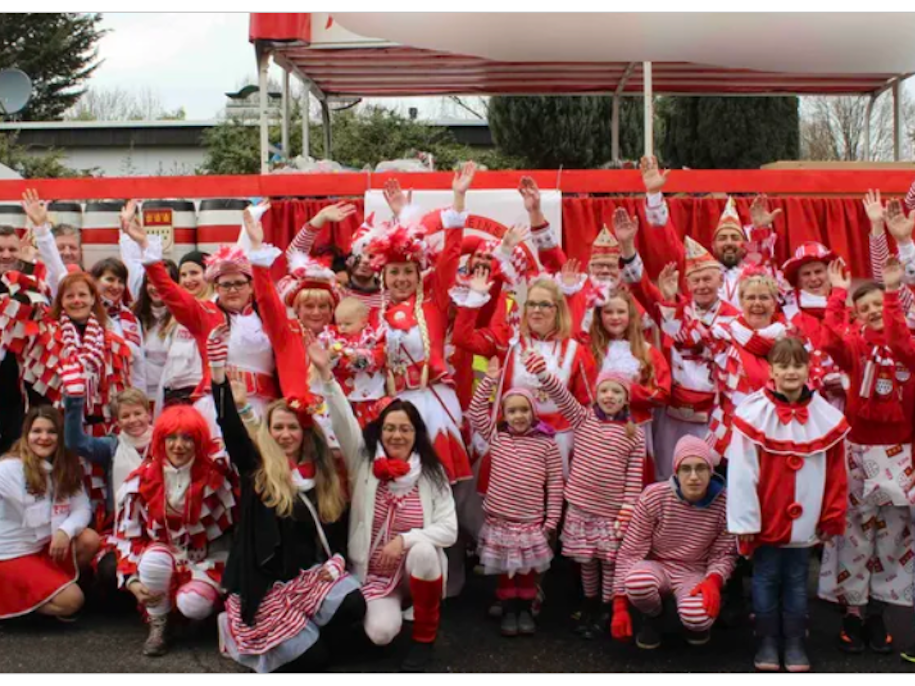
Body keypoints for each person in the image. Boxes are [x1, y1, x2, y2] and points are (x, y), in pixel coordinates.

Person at [205, 326, 365, 673]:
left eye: (293, 427)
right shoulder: (257, 470)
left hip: (307, 578)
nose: (285, 435)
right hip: (264, 587)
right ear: (268, 431)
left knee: (353, 605)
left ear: (305, 433)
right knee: (315, 661)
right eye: (278, 427)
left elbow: (333, 529)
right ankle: (242, 632)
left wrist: (336, 562)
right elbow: (231, 428)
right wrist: (218, 374)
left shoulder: (322, 475)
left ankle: (310, 631)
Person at [316, 336, 457, 673]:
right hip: (375, 574)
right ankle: (386, 617)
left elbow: (449, 530)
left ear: (416, 433)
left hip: (416, 569)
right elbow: (344, 423)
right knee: (381, 634)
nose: (397, 436)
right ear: (380, 433)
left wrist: (405, 540)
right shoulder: (364, 464)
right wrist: (326, 376)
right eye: (390, 429)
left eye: (404, 429)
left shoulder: (432, 474)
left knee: (424, 550)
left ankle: (425, 637)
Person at [727, 337, 849, 672]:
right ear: (771, 370)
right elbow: (741, 473)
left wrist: (831, 515)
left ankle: (795, 642)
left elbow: (837, 472)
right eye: (783, 365)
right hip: (765, 520)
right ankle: (767, 641)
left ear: (809, 369)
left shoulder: (824, 414)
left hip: (806, 520)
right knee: (765, 578)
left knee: (797, 579)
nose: (791, 371)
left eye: (798, 364)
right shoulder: (753, 412)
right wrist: (746, 522)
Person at [817, 257, 915, 655]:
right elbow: (827, 342)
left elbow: (898, 341)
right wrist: (838, 294)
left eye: (878, 305)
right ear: (856, 315)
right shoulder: (855, 348)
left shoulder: (907, 348)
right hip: (858, 453)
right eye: (866, 307)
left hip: (900, 456)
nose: (874, 311)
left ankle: (877, 613)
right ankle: (852, 614)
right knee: (854, 536)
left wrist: (891, 295)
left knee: (892, 539)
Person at [362, 162, 476, 485]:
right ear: (383, 275)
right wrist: (400, 216)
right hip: (393, 405)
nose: (401, 279)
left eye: (408, 272)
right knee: (398, 482)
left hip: (432, 399)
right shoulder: (374, 315)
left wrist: (458, 200)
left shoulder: (434, 304)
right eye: (394, 272)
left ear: (418, 274)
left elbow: (452, 254)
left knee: (437, 480)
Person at [120, 204, 279, 430]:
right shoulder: (204, 313)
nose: (232, 289)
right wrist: (144, 244)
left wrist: (255, 243)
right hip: (218, 407)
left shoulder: (267, 316)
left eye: (239, 283)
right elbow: (168, 290)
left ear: (251, 286)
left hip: (263, 408)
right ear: (216, 287)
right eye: (225, 284)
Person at [525, 353, 645, 638]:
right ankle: (588, 604)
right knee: (587, 561)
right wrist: (543, 375)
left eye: (616, 392)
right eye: (604, 390)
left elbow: (634, 477)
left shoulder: (634, 434)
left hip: (611, 511)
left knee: (608, 561)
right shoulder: (584, 418)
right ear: (597, 394)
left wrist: (628, 508)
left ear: (626, 398)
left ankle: (606, 607)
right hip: (581, 507)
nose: (609, 396)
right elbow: (562, 395)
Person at [112, 404, 238, 657]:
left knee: (193, 604)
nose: (178, 445)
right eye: (171, 437)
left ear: (198, 440)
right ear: (160, 440)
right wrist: (131, 578)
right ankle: (159, 624)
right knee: (153, 560)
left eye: (187, 438)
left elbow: (234, 526)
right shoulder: (140, 481)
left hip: (207, 558)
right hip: (165, 555)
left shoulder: (218, 476)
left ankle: (198, 615)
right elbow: (127, 536)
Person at [621, 230, 739, 479]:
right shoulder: (673, 308)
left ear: (720, 281)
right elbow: (640, 287)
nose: (702, 286)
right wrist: (628, 245)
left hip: (713, 415)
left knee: (707, 477)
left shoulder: (736, 320)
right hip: (671, 413)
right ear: (687, 283)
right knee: (667, 474)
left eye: (707, 279)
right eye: (695, 281)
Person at [467, 356, 563, 637]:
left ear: (534, 413)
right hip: (500, 520)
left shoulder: (546, 445)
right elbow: (475, 412)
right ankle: (509, 609)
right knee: (504, 569)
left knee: (526, 570)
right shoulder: (498, 438)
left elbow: (555, 484)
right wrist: (490, 381)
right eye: (512, 411)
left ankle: (525, 608)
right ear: (504, 415)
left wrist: (551, 519)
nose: (519, 416)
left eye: (524, 410)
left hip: (531, 520)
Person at [611, 435, 736, 649]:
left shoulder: (725, 503)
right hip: (658, 564)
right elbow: (631, 550)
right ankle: (653, 616)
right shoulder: (654, 497)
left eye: (701, 468)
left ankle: (691, 623)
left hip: (694, 569)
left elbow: (723, 554)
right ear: (676, 472)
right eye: (686, 469)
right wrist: (619, 604)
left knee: (698, 617)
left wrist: (714, 581)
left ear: (711, 471)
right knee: (637, 582)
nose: (694, 477)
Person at [0, 406, 100, 621]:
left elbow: (82, 508)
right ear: (27, 435)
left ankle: (48, 590)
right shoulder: (8, 468)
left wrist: (65, 531)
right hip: (11, 555)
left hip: (43, 547)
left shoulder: (65, 467)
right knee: (72, 602)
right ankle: (21, 607)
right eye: (37, 431)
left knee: (89, 539)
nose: (44, 438)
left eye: (51, 432)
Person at [63, 368, 152, 593]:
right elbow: (75, 443)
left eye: (138, 413)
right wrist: (74, 402)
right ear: (117, 421)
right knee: (109, 570)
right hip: (123, 529)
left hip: (161, 528)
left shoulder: (167, 440)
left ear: (148, 413)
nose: (133, 420)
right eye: (125, 416)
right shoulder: (112, 445)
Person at [588, 285, 671, 480]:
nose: (615, 317)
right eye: (608, 312)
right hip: (597, 428)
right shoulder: (589, 351)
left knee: (635, 477)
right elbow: (581, 388)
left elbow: (662, 392)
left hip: (635, 427)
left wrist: (627, 392)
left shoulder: (646, 351)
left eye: (620, 311)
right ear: (599, 316)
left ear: (630, 315)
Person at [706, 266, 787, 459]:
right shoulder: (723, 334)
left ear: (774, 302)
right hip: (730, 433)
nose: (757, 303)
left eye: (764, 297)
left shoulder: (788, 338)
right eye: (751, 298)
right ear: (741, 301)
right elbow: (687, 335)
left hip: (775, 431)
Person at [318, 297, 387, 428]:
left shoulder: (372, 338)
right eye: (339, 324)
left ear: (363, 322)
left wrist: (359, 359)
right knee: (342, 430)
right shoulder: (330, 338)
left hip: (368, 396)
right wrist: (331, 356)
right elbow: (322, 361)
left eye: (347, 324)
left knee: (370, 430)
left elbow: (378, 357)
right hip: (341, 396)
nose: (342, 328)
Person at [132, 261, 180, 405]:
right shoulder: (134, 315)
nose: (155, 287)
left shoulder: (182, 317)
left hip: (169, 396)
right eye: (150, 282)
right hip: (138, 397)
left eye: (162, 281)